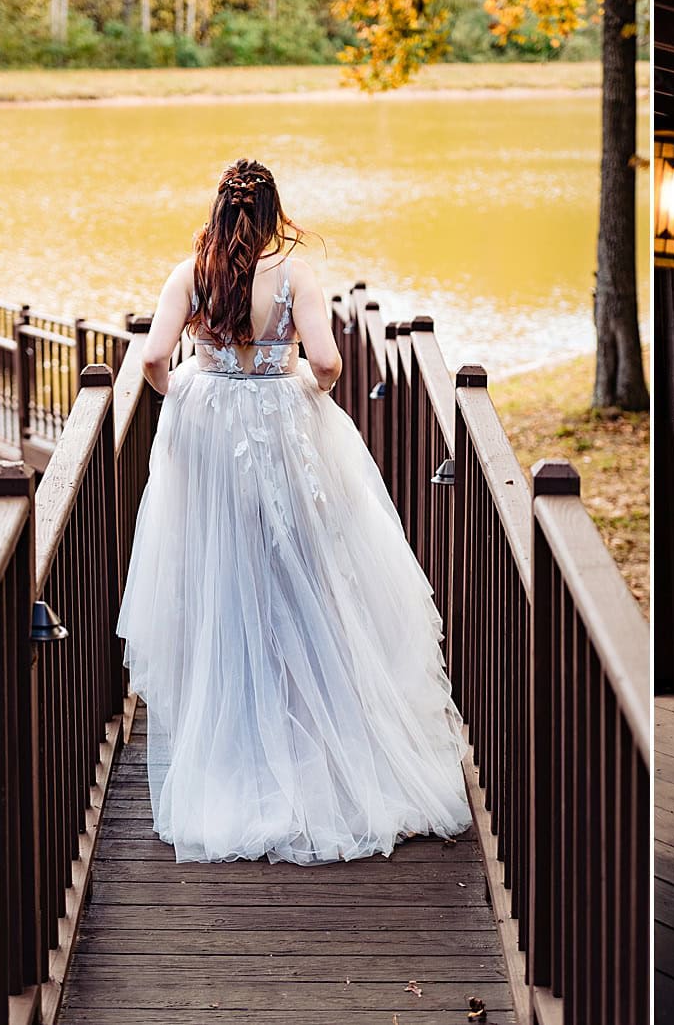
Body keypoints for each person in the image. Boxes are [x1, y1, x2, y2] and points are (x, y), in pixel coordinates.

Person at [116, 160, 473, 865]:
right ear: (272, 211)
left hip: (210, 428)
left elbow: (154, 358)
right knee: (303, 569)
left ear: (218, 209)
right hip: (280, 424)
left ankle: (236, 739)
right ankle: (317, 733)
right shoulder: (294, 275)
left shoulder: (189, 274)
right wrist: (295, 381)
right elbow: (330, 363)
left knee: (223, 572)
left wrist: (183, 391)